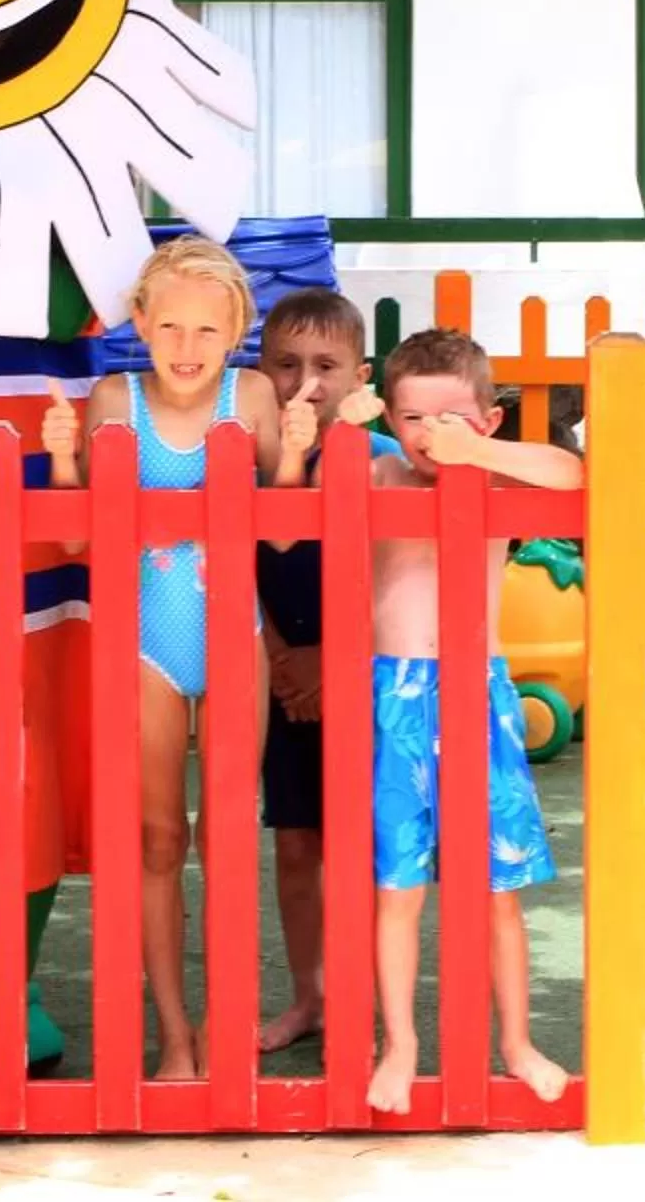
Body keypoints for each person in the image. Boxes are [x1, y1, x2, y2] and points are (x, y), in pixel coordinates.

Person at [42, 236, 288, 1081]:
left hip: (235, 640)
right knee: (154, 840)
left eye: (206, 332)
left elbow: (286, 528)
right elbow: (78, 534)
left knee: (225, 837)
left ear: (236, 333)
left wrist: (293, 453)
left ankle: (226, 1028)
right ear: (140, 323)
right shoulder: (116, 399)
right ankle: (174, 1036)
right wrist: (65, 460)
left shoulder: (250, 397)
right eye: (171, 326)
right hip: (140, 643)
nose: (187, 348)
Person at [343, 327, 580, 1113]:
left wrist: (476, 454)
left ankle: (515, 1041)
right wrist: (352, 422)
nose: (429, 436)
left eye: (450, 418)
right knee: (397, 886)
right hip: (393, 699)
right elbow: (318, 475)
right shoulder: (376, 469)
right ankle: (400, 1044)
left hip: (478, 695)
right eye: (412, 418)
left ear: (489, 420)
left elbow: (572, 476)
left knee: (495, 890)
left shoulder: (498, 481)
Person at [248, 287, 399, 1054]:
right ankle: (308, 997)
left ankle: (360, 1003)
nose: (304, 380)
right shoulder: (249, 457)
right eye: (285, 363)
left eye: (326, 365)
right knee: (296, 844)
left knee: (358, 845)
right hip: (279, 679)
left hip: (360, 677)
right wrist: (279, 656)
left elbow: (388, 579)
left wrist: (330, 660)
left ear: (359, 376)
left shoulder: (381, 463)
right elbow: (245, 564)